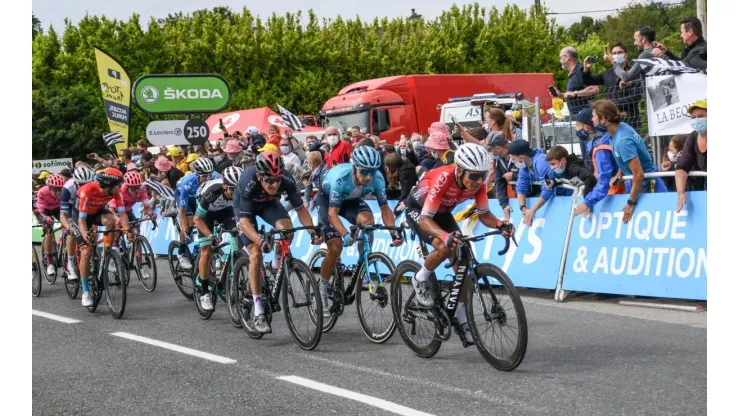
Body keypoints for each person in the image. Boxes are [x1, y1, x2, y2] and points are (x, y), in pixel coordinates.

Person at [404, 143, 513, 344]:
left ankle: (460, 317)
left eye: (482, 175)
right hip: (419, 212)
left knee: (463, 262)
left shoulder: (478, 184)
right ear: (460, 170)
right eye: (473, 176)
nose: (479, 181)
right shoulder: (443, 178)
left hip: (443, 213)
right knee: (444, 245)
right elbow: (425, 221)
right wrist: (444, 237)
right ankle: (421, 277)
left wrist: (500, 224)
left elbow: (484, 215)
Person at [237, 153, 321, 332]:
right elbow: (244, 222)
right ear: (259, 177)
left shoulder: (287, 180)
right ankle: (259, 311)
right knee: (255, 253)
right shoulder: (247, 182)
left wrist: (312, 231)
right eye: (269, 180)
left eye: (277, 179)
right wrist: (259, 240)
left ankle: (276, 263)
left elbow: (300, 209)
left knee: (287, 229)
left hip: (268, 205)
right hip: (246, 210)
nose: (274, 184)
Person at [316, 146, 402, 319]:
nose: (369, 176)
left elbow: (385, 209)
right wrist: (345, 234)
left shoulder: (377, 179)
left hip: (352, 201)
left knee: (369, 222)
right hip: (328, 201)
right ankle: (322, 288)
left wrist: (394, 233)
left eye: (372, 171)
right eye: (364, 172)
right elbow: (333, 214)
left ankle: (363, 263)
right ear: (355, 168)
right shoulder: (341, 179)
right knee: (336, 247)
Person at [592, 99, 667, 223]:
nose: (592, 119)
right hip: (638, 183)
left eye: (594, 116)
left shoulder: (623, 141)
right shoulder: (620, 127)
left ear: (603, 119)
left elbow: (638, 175)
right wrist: (619, 174)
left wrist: (630, 203)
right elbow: (628, 158)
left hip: (647, 185)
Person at [76, 168, 130, 307]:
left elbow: (122, 214)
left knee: (111, 221)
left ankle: (108, 251)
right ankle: (86, 291)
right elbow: (82, 221)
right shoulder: (87, 191)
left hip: (97, 211)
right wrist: (84, 235)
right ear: (108, 184)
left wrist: (127, 230)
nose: (119, 188)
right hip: (82, 217)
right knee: (87, 252)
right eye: (117, 185)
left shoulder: (116, 193)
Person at [192, 166, 243, 311]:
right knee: (207, 250)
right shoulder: (213, 192)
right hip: (206, 214)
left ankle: (233, 265)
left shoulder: (238, 192)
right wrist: (210, 235)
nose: (235, 193)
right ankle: (204, 291)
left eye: (237, 190)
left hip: (226, 211)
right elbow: (197, 219)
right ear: (224, 185)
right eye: (232, 189)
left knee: (237, 234)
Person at [571, 107, 623, 218]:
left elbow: (604, 179)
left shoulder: (600, 147)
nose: (576, 129)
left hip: (619, 192)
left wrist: (587, 202)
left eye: (577, 126)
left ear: (586, 127)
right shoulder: (598, 142)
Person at [582, 42, 643, 132]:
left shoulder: (633, 73)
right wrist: (586, 70)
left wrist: (610, 104)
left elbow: (635, 97)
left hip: (630, 120)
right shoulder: (607, 73)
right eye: (614, 53)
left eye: (620, 52)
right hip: (610, 121)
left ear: (626, 55)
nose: (617, 55)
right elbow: (588, 81)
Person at [507, 140, 569, 226]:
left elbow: (548, 190)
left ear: (521, 158)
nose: (512, 162)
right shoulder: (524, 167)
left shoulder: (541, 162)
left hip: (567, 196)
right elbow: (520, 188)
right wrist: (523, 208)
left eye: (513, 159)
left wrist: (532, 210)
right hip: (557, 197)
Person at [174, 158, 221, 270]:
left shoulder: (216, 178)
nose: (207, 179)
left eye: (209, 175)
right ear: (197, 175)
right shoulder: (188, 183)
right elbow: (182, 211)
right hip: (186, 196)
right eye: (204, 176)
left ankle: (200, 247)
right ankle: (181, 253)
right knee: (190, 222)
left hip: (201, 196)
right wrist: (186, 230)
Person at [58, 166, 96, 280]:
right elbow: (63, 215)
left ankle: (90, 259)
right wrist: (69, 227)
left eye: (87, 184)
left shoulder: (94, 184)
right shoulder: (67, 188)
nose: (84, 187)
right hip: (71, 208)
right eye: (81, 184)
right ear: (75, 183)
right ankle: (70, 264)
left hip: (85, 206)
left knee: (93, 228)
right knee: (72, 231)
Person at [675, 99, 707, 212]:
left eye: (701, 116)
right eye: (693, 118)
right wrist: (681, 193)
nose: (697, 120)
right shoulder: (692, 138)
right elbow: (682, 167)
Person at [552, 46, 600, 115]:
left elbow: (595, 89)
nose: (559, 61)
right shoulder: (572, 73)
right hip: (577, 118)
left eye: (560, 57)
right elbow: (571, 96)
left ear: (567, 58)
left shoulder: (580, 70)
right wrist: (561, 95)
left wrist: (575, 93)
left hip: (586, 118)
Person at [35, 173, 66, 277]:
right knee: (49, 231)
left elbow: (66, 209)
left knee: (68, 225)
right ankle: (49, 263)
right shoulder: (42, 192)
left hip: (57, 209)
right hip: (44, 211)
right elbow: (39, 210)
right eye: (55, 189)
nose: (58, 192)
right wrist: (45, 218)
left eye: (60, 189)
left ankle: (60, 242)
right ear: (50, 187)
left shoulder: (64, 192)